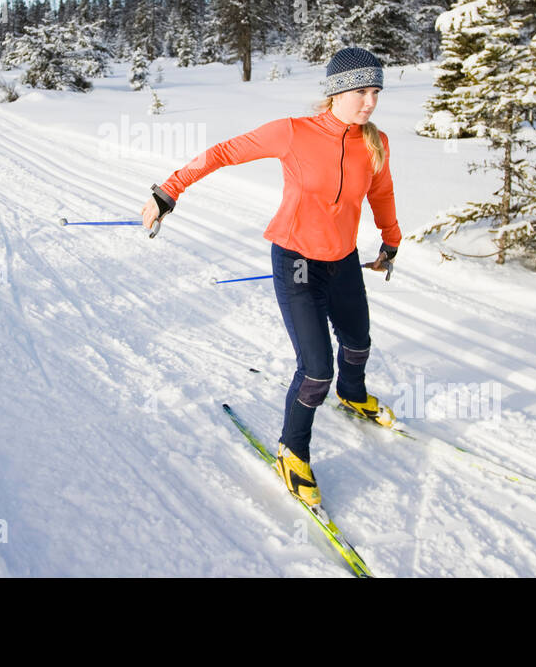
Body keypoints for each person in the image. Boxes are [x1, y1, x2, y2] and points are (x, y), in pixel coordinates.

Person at [140, 47, 402, 507]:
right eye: (362, 91)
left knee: (358, 343)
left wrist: (390, 241)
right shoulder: (293, 133)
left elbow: (382, 192)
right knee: (316, 369)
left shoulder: (374, 143)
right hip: (297, 261)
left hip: (342, 261)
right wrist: (167, 192)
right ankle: (292, 450)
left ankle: (354, 393)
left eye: (376, 91)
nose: (370, 102)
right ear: (338, 91)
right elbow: (222, 153)